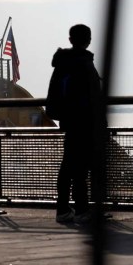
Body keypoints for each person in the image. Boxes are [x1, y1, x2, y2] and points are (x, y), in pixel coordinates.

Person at [51, 24, 102, 225]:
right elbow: (93, 96)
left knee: (67, 167)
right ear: (88, 40)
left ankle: (63, 208)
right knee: (81, 168)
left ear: (70, 39)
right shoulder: (84, 63)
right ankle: (82, 209)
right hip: (85, 121)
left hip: (70, 120)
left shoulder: (63, 63)